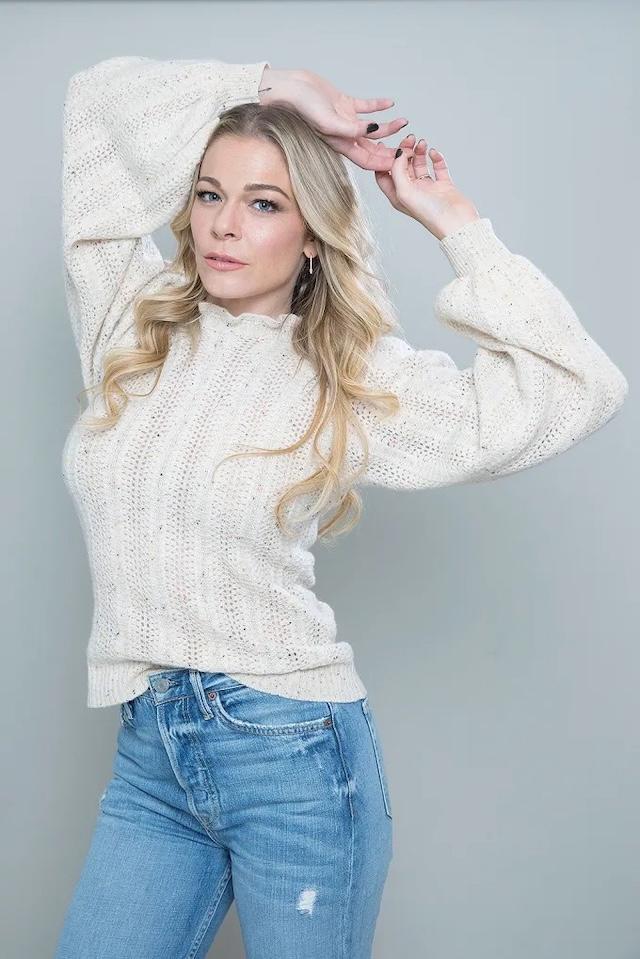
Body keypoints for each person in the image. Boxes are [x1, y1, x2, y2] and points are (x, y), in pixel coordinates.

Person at [54, 56, 628, 959]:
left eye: (264, 203)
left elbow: (575, 388)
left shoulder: (346, 380)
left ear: (313, 236)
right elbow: (96, 104)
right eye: (209, 194)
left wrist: (455, 221)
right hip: (151, 755)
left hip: (292, 758)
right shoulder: (130, 327)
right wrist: (279, 85)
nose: (224, 225)